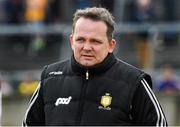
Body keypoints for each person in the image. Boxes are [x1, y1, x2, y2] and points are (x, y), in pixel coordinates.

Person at [23, 7, 167, 126]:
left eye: (95, 41)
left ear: (111, 45)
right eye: (81, 40)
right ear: (72, 41)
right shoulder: (50, 77)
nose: (87, 47)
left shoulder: (134, 82)